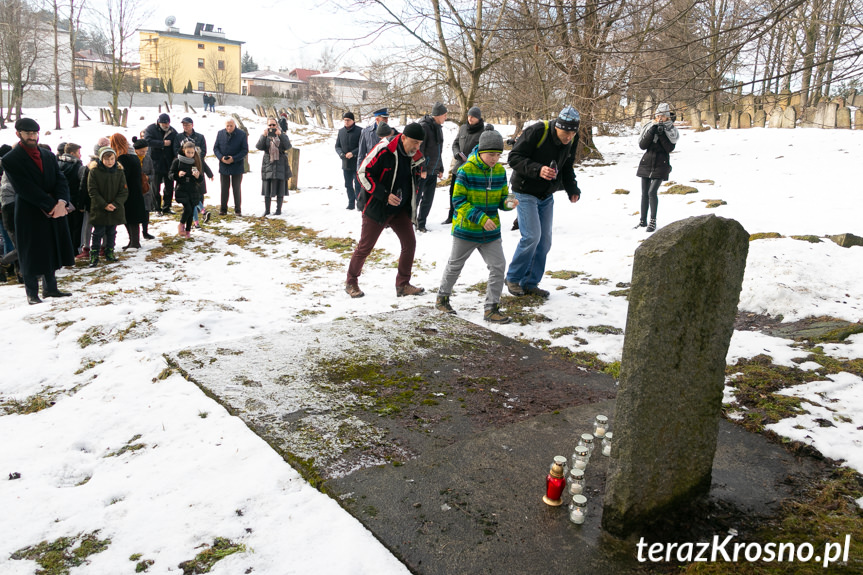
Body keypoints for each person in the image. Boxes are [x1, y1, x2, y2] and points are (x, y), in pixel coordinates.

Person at [435, 129, 517, 324]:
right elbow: (458, 201)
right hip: (466, 229)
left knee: (498, 266)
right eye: (491, 154)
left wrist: (507, 203)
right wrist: (480, 218)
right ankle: (442, 298)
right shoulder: (465, 170)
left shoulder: (499, 171)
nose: (495, 159)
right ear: (480, 151)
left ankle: (491, 308)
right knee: (455, 264)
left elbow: (501, 198)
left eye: (498, 155)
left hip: (491, 231)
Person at [505, 105, 582, 299]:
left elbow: (566, 166)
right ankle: (513, 278)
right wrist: (537, 169)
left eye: (573, 133)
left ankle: (530, 283)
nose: (568, 137)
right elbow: (513, 158)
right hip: (523, 191)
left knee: (544, 241)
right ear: (557, 126)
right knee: (531, 236)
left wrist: (572, 188)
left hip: (546, 194)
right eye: (565, 133)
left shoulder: (572, 139)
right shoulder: (537, 131)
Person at [346, 122, 426, 298]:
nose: (417, 147)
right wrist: (383, 194)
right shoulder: (384, 148)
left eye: (419, 143)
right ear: (403, 137)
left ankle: (403, 284)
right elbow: (362, 173)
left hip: (400, 209)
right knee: (365, 247)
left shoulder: (415, 155)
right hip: (377, 207)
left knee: (410, 243)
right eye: (414, 142)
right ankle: (351, 282)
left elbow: (412, 179)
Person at [1, 118, 75, 304]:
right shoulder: (10, 159)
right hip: (28, 210)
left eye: (34, 133)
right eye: (28, 133)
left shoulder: (47, 155)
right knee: (30, 251)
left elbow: (60, 179)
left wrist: (61, 202)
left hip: (54, 208)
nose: (32, 137)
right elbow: (24, 188)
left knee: (50, 247)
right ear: (18, 134)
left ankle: (51, 289)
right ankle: (32, 293)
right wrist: (51, 206)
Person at [636, 103, 679, 232]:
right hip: (646, 163)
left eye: (663, 116)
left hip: (661, 164)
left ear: (667, 117)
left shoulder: (671, 130)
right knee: (644, 194)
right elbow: (643, 145)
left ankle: (653, 221)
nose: (660, 118)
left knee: (652, 192)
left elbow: (669, 148)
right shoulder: (649, 126)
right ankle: (642, 221)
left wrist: (661, 134)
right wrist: (652, 131)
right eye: (658, 116)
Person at [443, 106, 489, 224]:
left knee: (468, 193)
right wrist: (457, 153)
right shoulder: (463, 128)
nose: (470, 119)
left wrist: (473, 158)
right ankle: (451, 215)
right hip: (458, 167)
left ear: (478, 118)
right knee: (453, 191)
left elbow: (484, 150)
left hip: (473, 168)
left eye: (473, 117)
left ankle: (467, 215)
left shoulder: (483, 132)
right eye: (468, 116)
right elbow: (455, 143)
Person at [87, 147, 128, 267]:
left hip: (115, 208)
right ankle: (94, 254)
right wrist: (104, 205)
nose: (109, 162)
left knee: (111, 231)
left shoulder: (119, 172)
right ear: (101, 159)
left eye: (112, 159)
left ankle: (109, 252)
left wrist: (115, 204)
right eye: (106, 159)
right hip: (100, 208)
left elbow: (124, 191)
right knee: (98, 232)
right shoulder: (94, 172)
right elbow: (92, 191)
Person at [110, 133, 146, 250]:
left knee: (130, 216)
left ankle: (134, 242)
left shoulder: (123, 157)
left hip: (128, 190)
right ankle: (133, 241)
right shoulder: (133, 155)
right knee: (132, 216)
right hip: (136, 189)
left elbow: (123, 175)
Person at [416, 102, 448, 232]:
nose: (446, 117)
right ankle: (409, 221)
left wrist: (440, 167)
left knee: (428, 199)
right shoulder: (424, 127)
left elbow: (438, 150)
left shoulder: (438, 127)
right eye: (445, 115)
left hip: (433, 171)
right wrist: (422, 168)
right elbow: (420, 150)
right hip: (423, 171)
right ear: (438, 115)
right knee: (416, 199)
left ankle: (421, 223)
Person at [256, 116, 292, 216]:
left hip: (280, 162)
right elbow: (259, 146)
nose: (272, 127)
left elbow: (288, 146)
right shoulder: (265, 135)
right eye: (270, 125)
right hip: (268, 163)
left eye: (273, 125)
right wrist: (263, 136)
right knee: (267, 188)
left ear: (277, 125)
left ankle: (278, 210)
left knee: (280, 187)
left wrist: (280, 135)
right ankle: (267, 210)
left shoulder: (282, 134)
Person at [143, 113, 178, 214]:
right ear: (159, 122)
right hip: (155, 163)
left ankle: (167, 207)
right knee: (155, 187)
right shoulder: (150, 129)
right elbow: (147, 141)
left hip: (168, 163)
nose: (166, 125)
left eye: (167, 123)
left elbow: (176, 144)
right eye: (164, 123)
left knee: (169, 187)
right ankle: (156, 207)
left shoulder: (172, 131)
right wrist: (162, 144)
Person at [213, 118, 249, 216]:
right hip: (224, 165)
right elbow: (215, 148)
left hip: (237, 165)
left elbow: (244, 150)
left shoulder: (241, 134)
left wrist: (234, 158)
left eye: (231, 126)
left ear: (234, 125)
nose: (229, 128)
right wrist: (221, 158)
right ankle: (223, 209)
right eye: (227, 126)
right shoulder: (220, 133)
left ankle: (238, 209)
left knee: (236, 188)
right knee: (224, 188)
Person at [170, 141, 203, 237]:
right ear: (184, 151)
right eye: (188, 152)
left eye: (192, 153)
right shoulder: (177, 161)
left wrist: (197, 176)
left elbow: (200, 179)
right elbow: (170, 175)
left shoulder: (195, 162)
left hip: (193, 190)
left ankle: (188, 231)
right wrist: (178, 175)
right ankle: (181, 225)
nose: (190, 155)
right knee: (188, 209)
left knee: (192, 209)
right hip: (182, 189)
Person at [57, 143, 85, 254]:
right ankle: (75, 250)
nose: (80, 155)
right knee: (77, 227)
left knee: (65, 227)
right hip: (75, 201)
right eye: (78, 152)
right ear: (72, 153)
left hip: (61, 201)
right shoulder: (77, 166)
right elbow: (82, 186)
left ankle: (64, 250)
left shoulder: (56, 164)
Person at [335, 111, 362, 210]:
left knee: (358, 184)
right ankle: (351, 203)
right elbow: (337, 146)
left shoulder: (360, 131)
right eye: (345, 120)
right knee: (348, 184)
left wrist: (353, 153)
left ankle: (359, 204)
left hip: (357, 163)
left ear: (353, 120)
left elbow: (362, 146)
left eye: (348, 120)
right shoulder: (341, 131)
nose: (346, 122)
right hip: (345, 163)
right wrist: (341, 153)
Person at [132, 137, 156, 239]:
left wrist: (147, 178)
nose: (144, 153)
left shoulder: (148, 158)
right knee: (136, 212)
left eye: (146, 151)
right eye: (142, 151)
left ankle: (145, 232)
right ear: (136, 150)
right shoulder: (132, 159)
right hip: (135, 189)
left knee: (146, 211)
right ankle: (135, 236)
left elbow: (152, 173)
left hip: (145, 188)